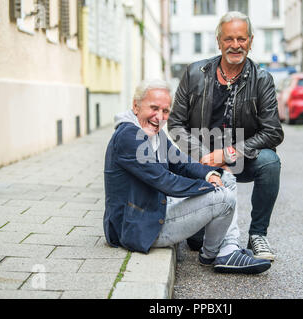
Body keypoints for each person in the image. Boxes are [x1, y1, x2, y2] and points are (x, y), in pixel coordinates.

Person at [103, 79, 271, 274]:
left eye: (165, 111)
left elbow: (180, 162)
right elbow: (165, 180)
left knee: (226, 177)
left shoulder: (151, 131)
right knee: (224, 198)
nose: (159, 117)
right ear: (135, 105)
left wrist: (209, 174)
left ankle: (228, 248)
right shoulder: (128, 136)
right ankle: (212, 254)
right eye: (154, 108)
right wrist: (210, 187)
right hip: (138, 227)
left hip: (154, 208)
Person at [167, 12, 284, 260]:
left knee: (270, 162)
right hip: (203, 162)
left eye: (241, 39)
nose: (235, 45)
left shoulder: (262, 80)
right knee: (196, 243)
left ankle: (258, 235)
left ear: (250, 41)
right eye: (229, 38)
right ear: (218, 41)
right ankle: (210, 233)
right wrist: (204, 156)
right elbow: (176, 123)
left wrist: (230, 153)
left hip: (241, 159)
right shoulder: (194, 73)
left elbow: (273, 131)